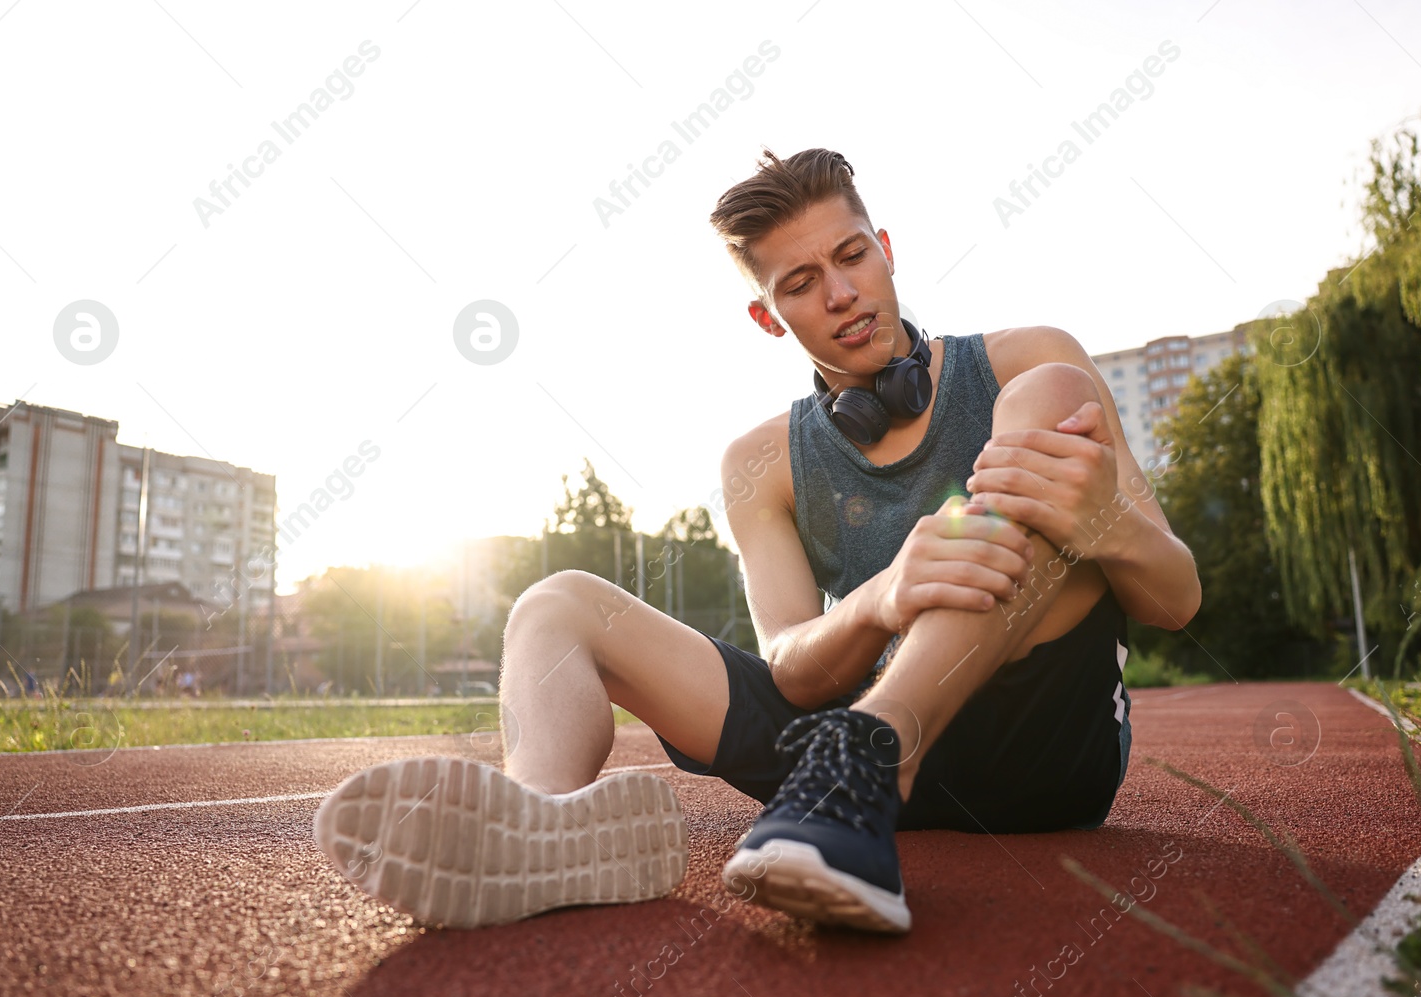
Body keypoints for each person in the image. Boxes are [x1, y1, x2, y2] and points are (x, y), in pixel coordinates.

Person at [314, 147, 1201, 934]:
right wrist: (884, 594)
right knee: (558, 603)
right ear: (768, 317)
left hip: (1034, 753)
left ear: (886, 250)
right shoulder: (758, 462)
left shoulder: (1025, 358)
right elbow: (789, 665)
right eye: (802, 282)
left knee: (1046, 399)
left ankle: (874, 748)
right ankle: (536, 827)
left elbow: (1175, 597)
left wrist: (1102, 523)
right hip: (828, 778)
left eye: (851, 257)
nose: (842, 291)